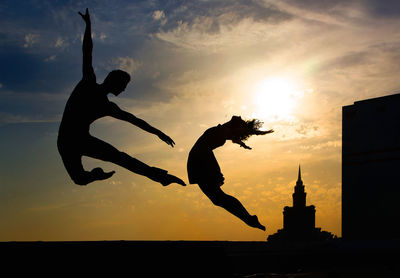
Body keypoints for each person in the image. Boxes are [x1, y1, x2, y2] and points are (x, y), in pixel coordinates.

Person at [57, 8, 185, 187]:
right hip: (66, 142)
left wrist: (158, 133)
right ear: (113, 82)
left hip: (83, 140)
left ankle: (160, 177)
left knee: (120, 157)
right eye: (123, 87)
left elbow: (135, 120)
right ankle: (95, 174)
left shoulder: (108, 106)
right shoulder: (88, 83)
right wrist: (88, 26)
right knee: (80, 180)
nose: (124, 91)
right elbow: (87, 52)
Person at [187, 116, 273, 231]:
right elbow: (240, 128)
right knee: (217, 198)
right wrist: (260, 132)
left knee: (217, 198)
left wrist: (242, 144)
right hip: (200, 157)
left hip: (200, 158)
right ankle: (249, 219)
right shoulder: (229, 126)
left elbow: (236, 137)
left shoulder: (228, 132)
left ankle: (249, 219)